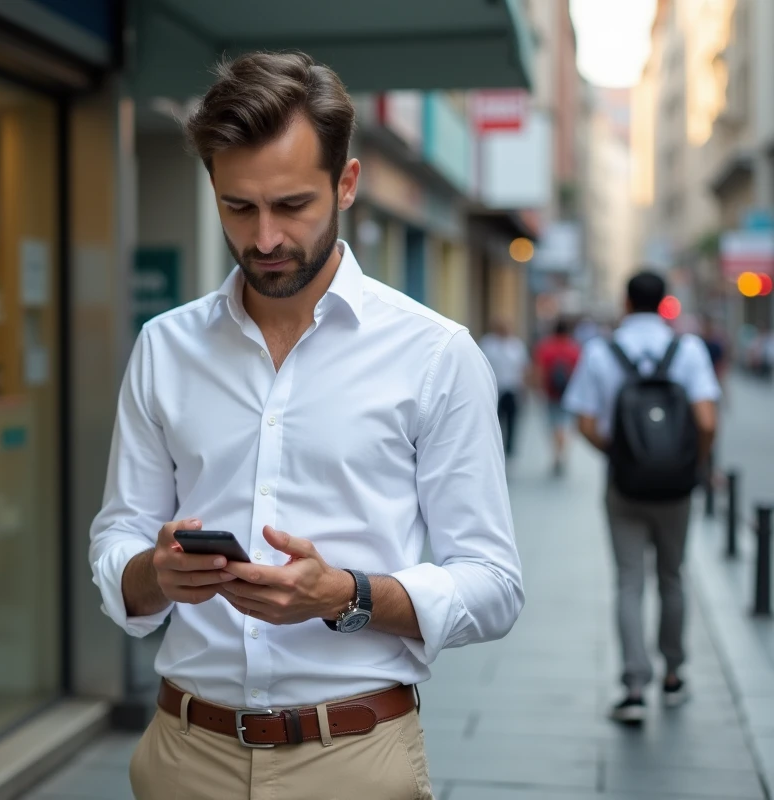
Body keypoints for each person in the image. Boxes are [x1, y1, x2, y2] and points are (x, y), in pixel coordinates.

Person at [89, 52, 524, 799]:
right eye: (238, 207)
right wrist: (153, 575)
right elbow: (118, 537)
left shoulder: (434, 354)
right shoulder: (165, 346)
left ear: (346, 184)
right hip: (184, 756)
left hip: (351, 758)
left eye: (292, 206)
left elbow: (492, 583)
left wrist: (346, 595)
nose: (263, 239)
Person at [562, 271, 720, 724]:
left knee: (629, 581)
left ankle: (634, 687)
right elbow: (707, 421)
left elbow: (586, 423)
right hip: (676, 489)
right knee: (672, 576)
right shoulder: (688, 350)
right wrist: (694, 464)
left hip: (625, 486)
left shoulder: (600, 351)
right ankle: (674, 674)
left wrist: (622, 455)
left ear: (626, 303)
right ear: (664, 302)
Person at [532, 318, 581, 476]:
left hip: (551, 392)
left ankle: (556, 455)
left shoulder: (545, 347)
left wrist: (539, 389)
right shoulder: (574, 348)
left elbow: (539, 370)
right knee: (565, 425)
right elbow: (580, 373)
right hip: (569, 393)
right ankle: (561, 454)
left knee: (554, 425)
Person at [479, 319, 529, 458]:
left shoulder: (516, 345)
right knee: (495, 420)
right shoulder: (487, 344)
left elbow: (523, 367)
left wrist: (524, 388)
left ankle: (509, 449)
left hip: (512, 388)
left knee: (512, 420)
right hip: (494, 389)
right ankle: (495, 445)